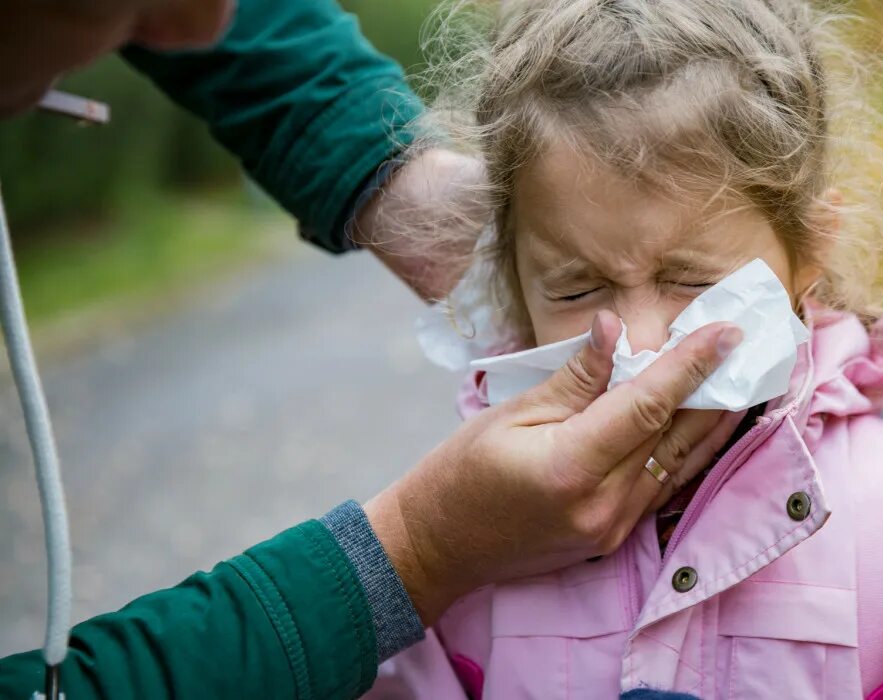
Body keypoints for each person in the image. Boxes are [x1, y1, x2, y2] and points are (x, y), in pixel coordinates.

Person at [0, 0, 743, 697]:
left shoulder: (863, 508)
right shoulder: (482, 581)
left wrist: (369, 159)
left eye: (690, 277)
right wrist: (417, 551)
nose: (198, 27)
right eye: (577, 289)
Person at [364, 0, 883, 698]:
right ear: (512, 280)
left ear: (809, 249)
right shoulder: (466, 539)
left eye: (691, 281)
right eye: (577, 289)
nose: (638, 343)